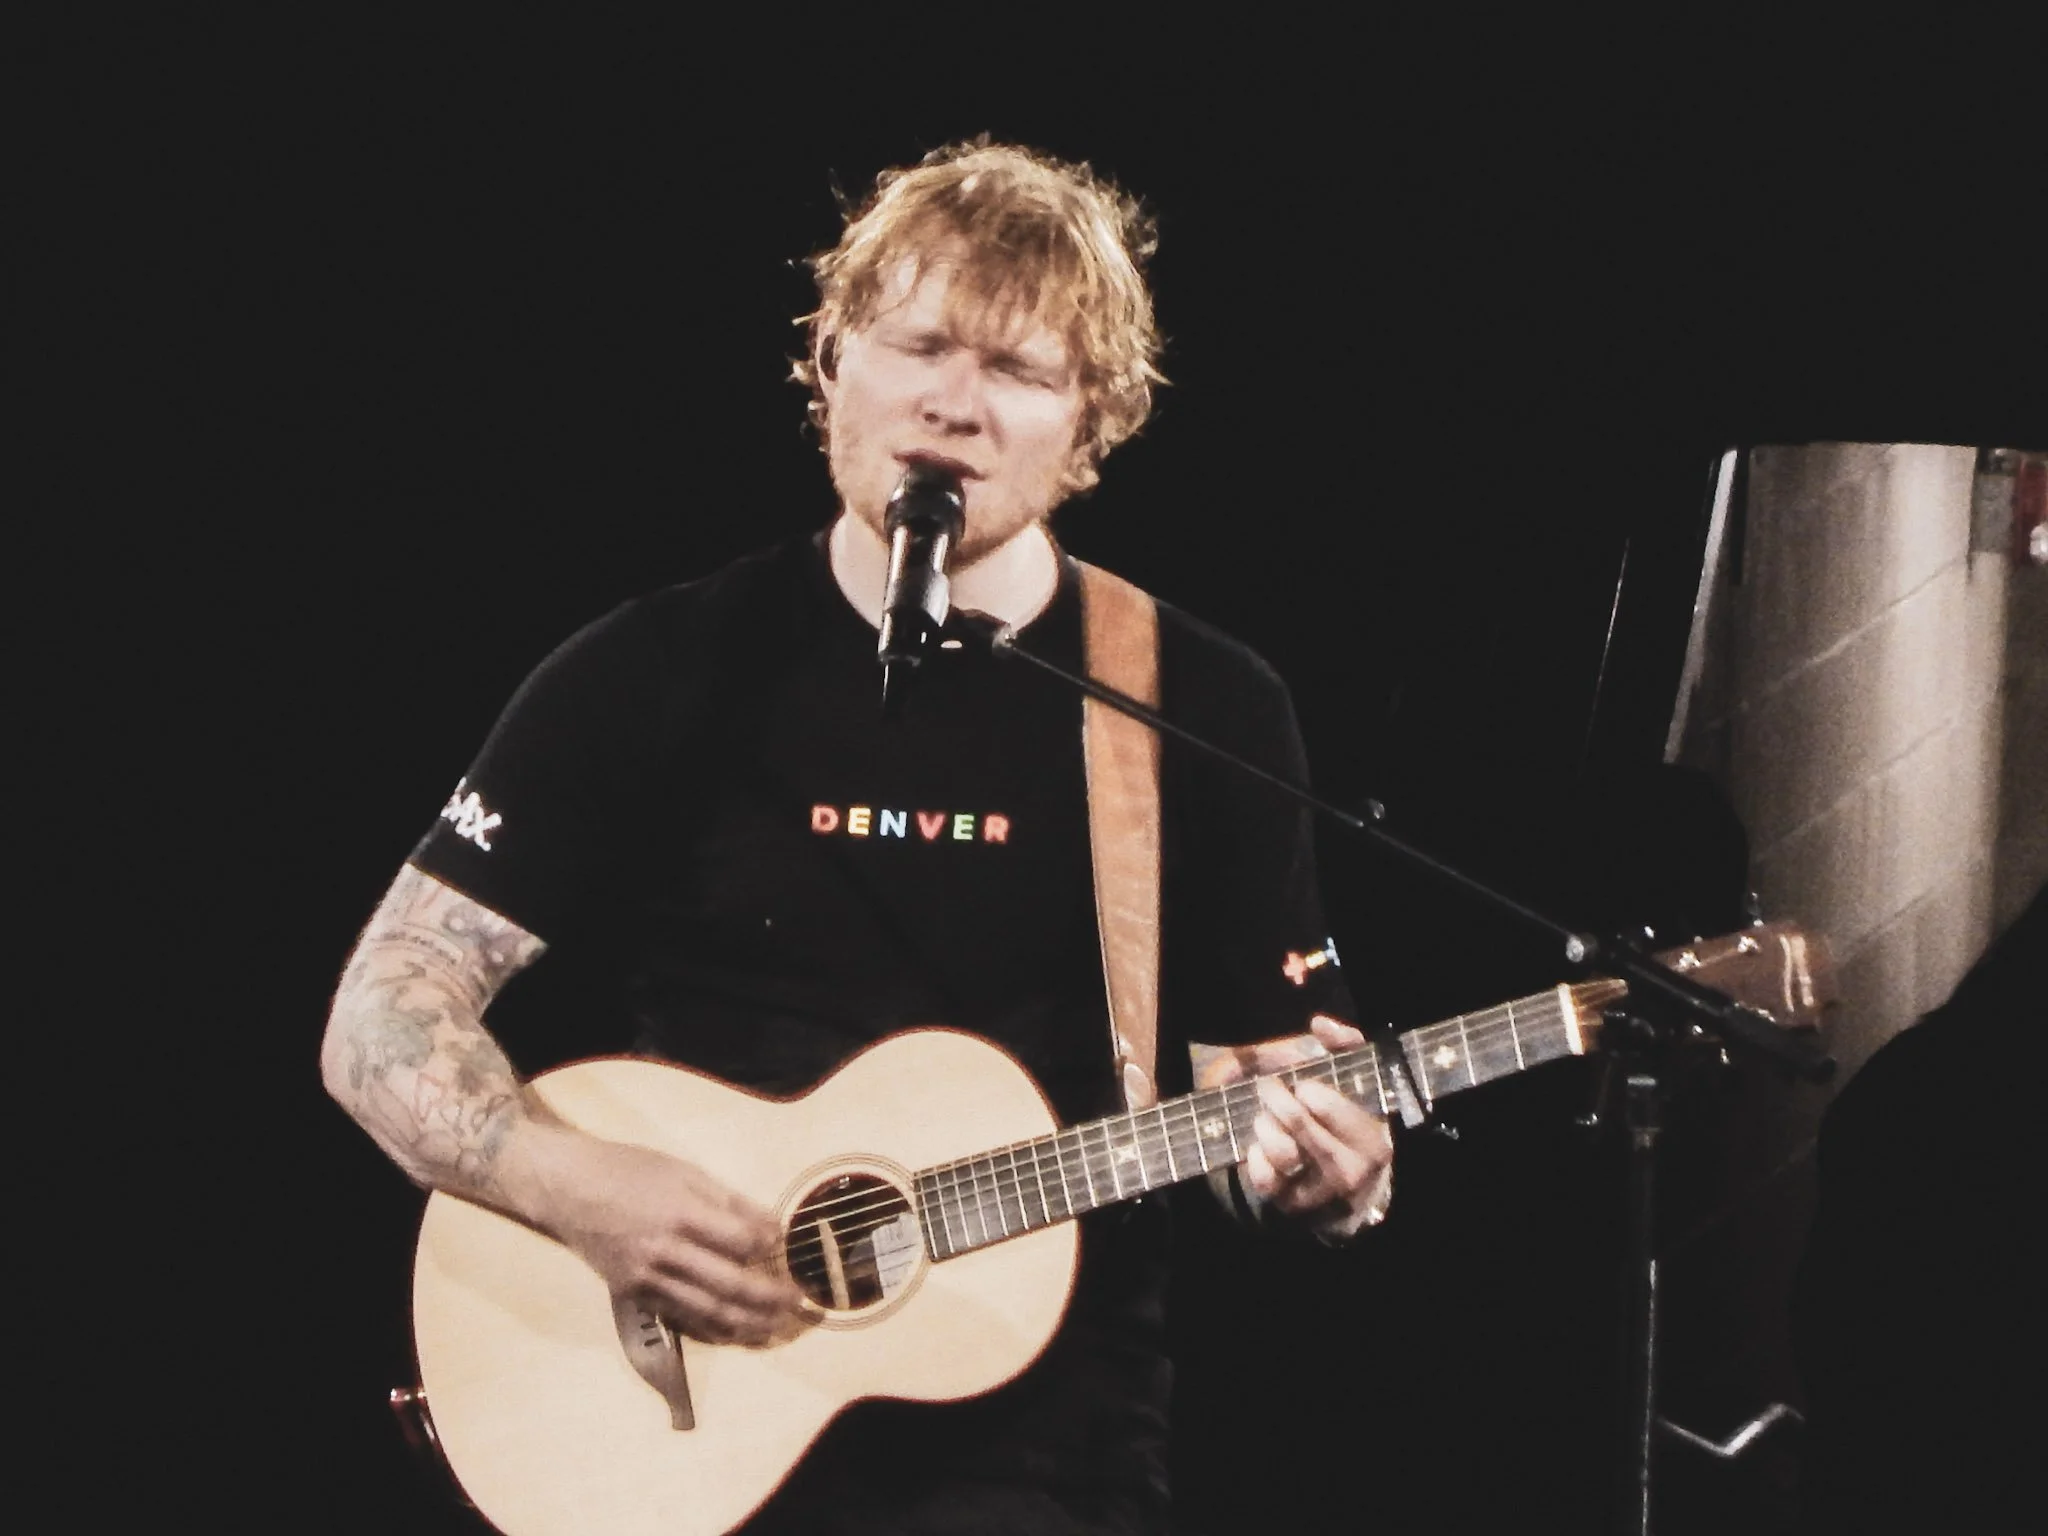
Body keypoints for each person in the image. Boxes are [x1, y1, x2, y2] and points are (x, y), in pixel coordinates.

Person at [321, 139, 1393, 1535]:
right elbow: (380, 1017)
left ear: (1094, 422)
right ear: (831, 362)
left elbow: (1270, 1089)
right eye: (919, 346)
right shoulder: (658, 665)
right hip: (679, 1421)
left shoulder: (1196, 701)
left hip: (1044, 1459)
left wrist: (1327, 1176)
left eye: (1019, 370)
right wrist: (573, 1186)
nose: (954, 404)